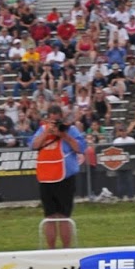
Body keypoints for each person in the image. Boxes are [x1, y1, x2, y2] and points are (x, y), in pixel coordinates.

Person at [32, 104, 88, 248]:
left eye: (57, 120)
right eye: (52, 121)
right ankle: (51, 250)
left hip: (65, 177)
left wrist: (63, 135)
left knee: (64, 216)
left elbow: (80, 148)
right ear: (48, 119)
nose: (55, 124)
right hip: (46, 177)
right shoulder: (42, 130)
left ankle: (66, 249)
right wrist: (46, 132)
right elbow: (33, 145)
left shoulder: (71, 130)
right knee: (49, 217)